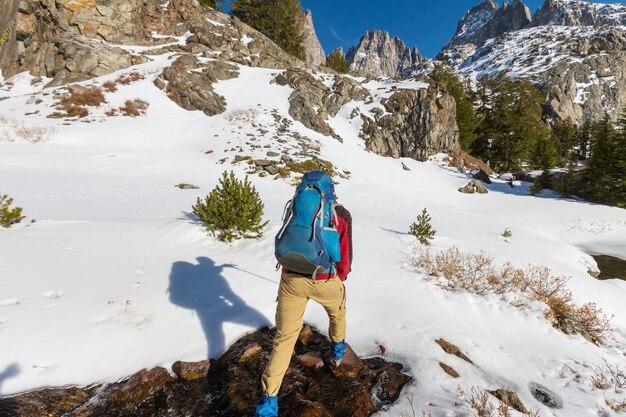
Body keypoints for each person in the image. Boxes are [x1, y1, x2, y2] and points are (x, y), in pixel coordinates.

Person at [254, 175, 353, 417]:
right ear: (330, 191)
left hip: (291, 280)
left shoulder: (296, 206)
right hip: (325, 280)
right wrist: (339, 277)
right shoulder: (340, 214)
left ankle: (269, 402)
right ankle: (337, 350)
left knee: (284, 338)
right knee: (337, 312)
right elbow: (345, 258)